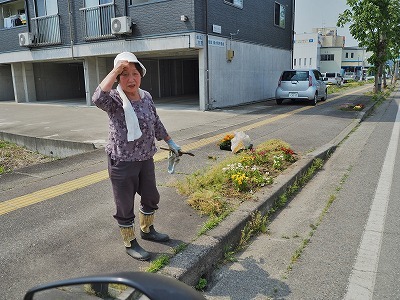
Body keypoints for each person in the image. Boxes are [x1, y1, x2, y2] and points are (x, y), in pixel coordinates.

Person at [92, 52, 181, 261]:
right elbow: (97, 98)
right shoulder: (113, 99)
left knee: (151, 197)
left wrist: (170, 141)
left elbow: (155, 121)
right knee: (124, 205)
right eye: (124, 75)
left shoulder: (146, 96)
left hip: (145, 158)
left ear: (141, 74)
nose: (131, 79)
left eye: (135, 73)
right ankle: (129, 242)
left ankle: (147, 230)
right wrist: (115, 70)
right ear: (117, 78)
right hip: (122, 161)